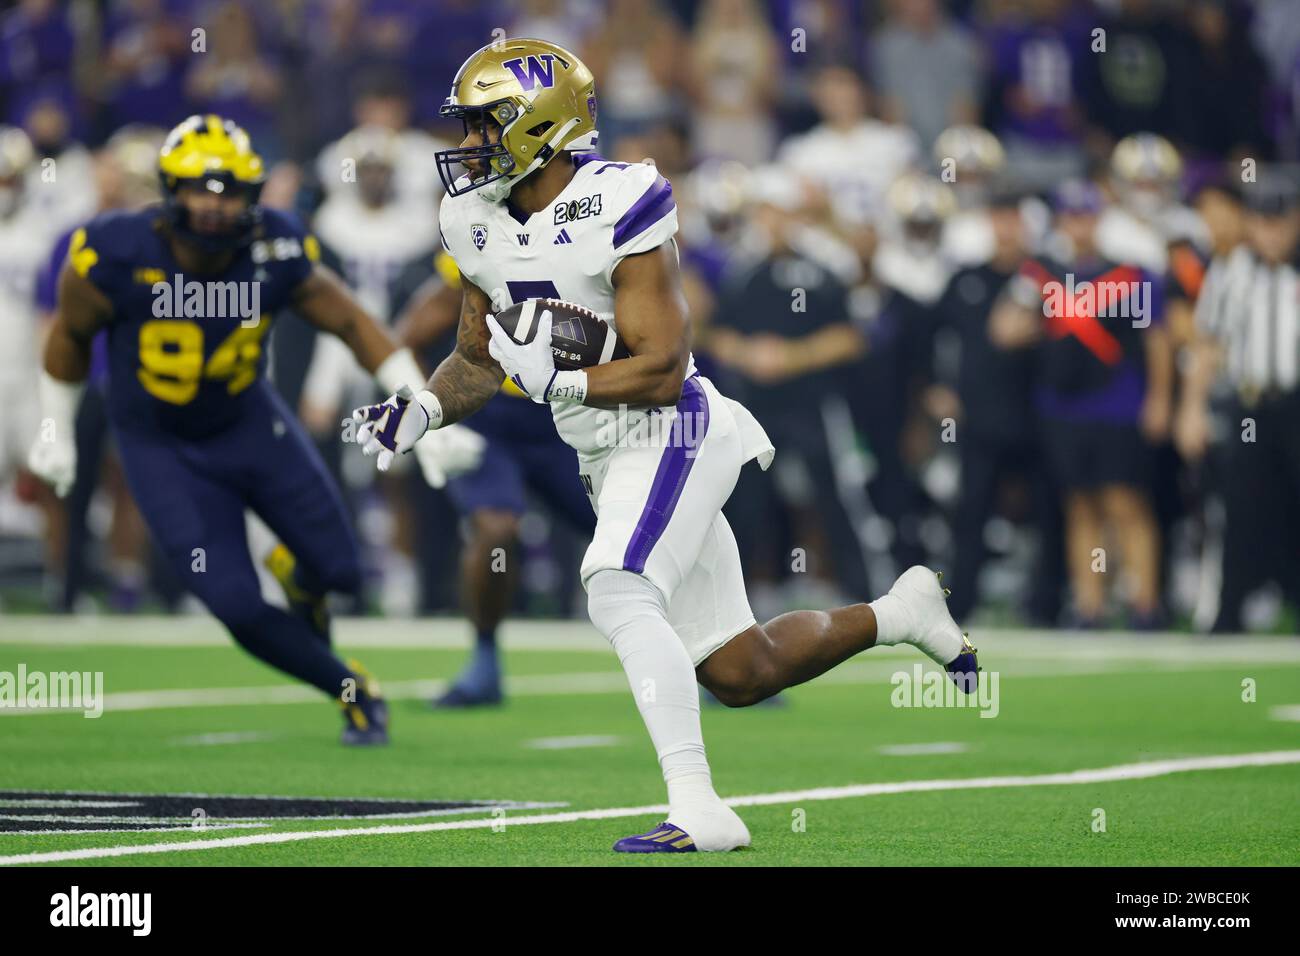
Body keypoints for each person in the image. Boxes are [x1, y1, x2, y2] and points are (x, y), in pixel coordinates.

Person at [353, 39, 978, 853]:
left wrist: (560, 384)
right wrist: (423, 411)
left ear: (536, 124)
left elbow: (661, 367)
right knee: (739, 672)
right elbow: (476, 357)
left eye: (482, 124)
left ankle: (700, 807)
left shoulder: (621, 198)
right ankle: (901, 613)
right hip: (600, 451)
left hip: (672, 427)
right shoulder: (471, 217)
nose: (466, 144)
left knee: (615, 587)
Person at [25, 114, 477, 745]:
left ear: (253, 193)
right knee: (234, 602)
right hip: (160, 443)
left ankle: (298, 571)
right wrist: (55, 427)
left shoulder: (275, 246)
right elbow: (68, 338)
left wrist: (421, 405)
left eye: (229, 190)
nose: (214, 206)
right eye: (199, 189)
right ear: (168, 188)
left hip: (247, 421)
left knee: (343, 574)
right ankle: (350, 687)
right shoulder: (113, 249)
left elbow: (353, 323)